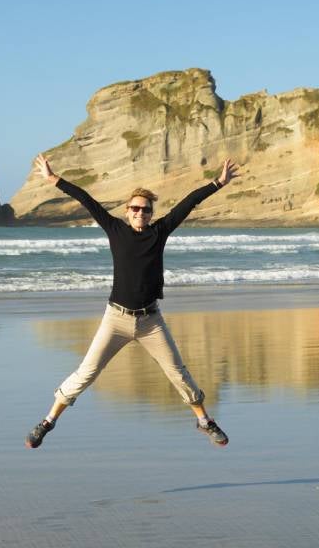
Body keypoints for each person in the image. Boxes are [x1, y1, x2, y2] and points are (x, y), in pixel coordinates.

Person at [25, 153, 240, 449]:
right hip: (116, 319)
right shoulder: (115, 230)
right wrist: (53, 179)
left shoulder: (159, 232)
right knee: (86, 373)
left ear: (151, 214)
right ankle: (48, 422)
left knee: (178, 372)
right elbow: (87, 200)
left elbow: (188, 204)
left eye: (146, 210)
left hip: (151, 321)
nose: (141, 213)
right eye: (136, 209)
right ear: (127, 211)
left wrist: (218, 183)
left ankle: (205, 422)